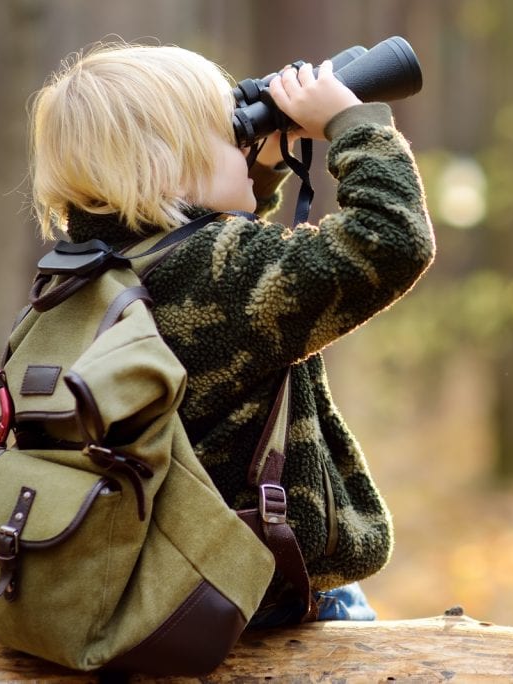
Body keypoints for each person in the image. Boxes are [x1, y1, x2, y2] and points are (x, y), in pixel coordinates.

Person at [29, 42, 435, 627]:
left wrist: (263, 165)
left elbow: (229, 283)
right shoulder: (222, 272)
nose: (245, 146)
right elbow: (391, 240)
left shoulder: (89, 272)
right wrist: (353, 123)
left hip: (163, 580)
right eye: (232, 136)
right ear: (170, 167)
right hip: (261, 596)